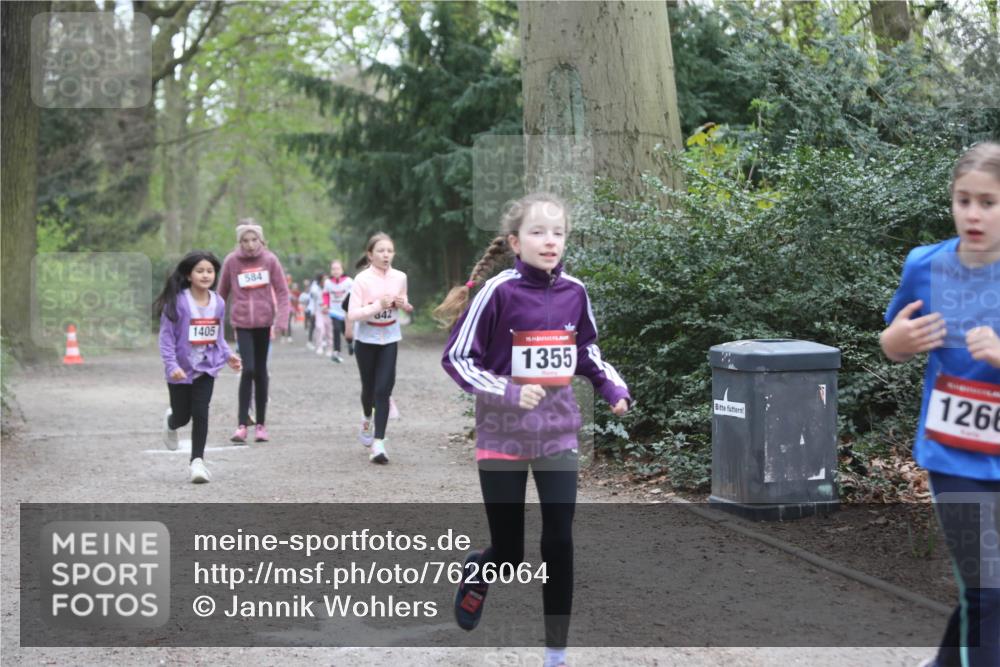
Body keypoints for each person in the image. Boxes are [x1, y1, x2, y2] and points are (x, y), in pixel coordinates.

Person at [436, 192, 630, 667]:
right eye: (538, 232)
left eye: (558, 233)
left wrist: (612, 387)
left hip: (557, 432)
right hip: (502, 434)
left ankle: (555, 652)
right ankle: (481, 569)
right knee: (509, 555)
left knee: (559, 541)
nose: (550, 241)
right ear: (514, 242)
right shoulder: (498, 292)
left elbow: (586, 351)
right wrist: (506, 389)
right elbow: (458, 358)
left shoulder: (575, 292)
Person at [880, 142, 1000, 667]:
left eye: (989, 203)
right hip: (954, 457)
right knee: (988, 590)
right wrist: (896, 343)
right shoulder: (925, 265)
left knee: (988, 592)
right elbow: (893, 339)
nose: (973, 214)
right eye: (963, 200)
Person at [155, 251, 241, 483]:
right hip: (180, 372)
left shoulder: (218, 302)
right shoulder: (177, 303)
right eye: (200, 271)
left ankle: (197, 462)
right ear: (188, 275)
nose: (205, 275)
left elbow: (218, 336)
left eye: (210, 271)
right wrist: (172, 365)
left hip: (206, 368)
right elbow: (166, 338)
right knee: (182, 417)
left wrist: (228, 355)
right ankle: (171, 421)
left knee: (201, 413)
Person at [218, 219, 290, 444]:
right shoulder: (231, 261)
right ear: (239, 242)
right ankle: (241, 425)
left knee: (260, 371)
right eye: (245, 240)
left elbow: (282, 291)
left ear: (261, 240)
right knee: (247, 369)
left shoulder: (269, 260)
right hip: (241, 323)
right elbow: (221, 294)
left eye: (253, 239)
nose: (250, 244)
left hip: (263, 322)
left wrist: (282, 320)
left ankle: (261, 425)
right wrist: (215, 322)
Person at [346, 232, 414, 464]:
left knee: (383, 390)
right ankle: (367, 418)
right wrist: (377, 306)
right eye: (381, 251)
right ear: (370, 255)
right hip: (366, 340)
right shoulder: (361, 280)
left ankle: (379, 444)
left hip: (390, 339)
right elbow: (353, 314)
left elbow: (405, 302)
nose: (386, 255)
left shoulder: (400, 277)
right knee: (369, 389)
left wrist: (404, 305)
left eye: (390, 251)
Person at [325, 260, 354, 362]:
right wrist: (325, 304)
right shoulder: (328, 282)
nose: (336, 271)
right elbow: (325, 294)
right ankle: (336, 352)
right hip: (334, 311)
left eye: (338, 269)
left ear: (342, 270)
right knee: (336, 329)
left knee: (345, 331)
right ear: (331, 271)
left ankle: (350, 343)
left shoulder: (349, 281)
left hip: (345, 312)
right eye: (333, 269)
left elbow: (354, 294)